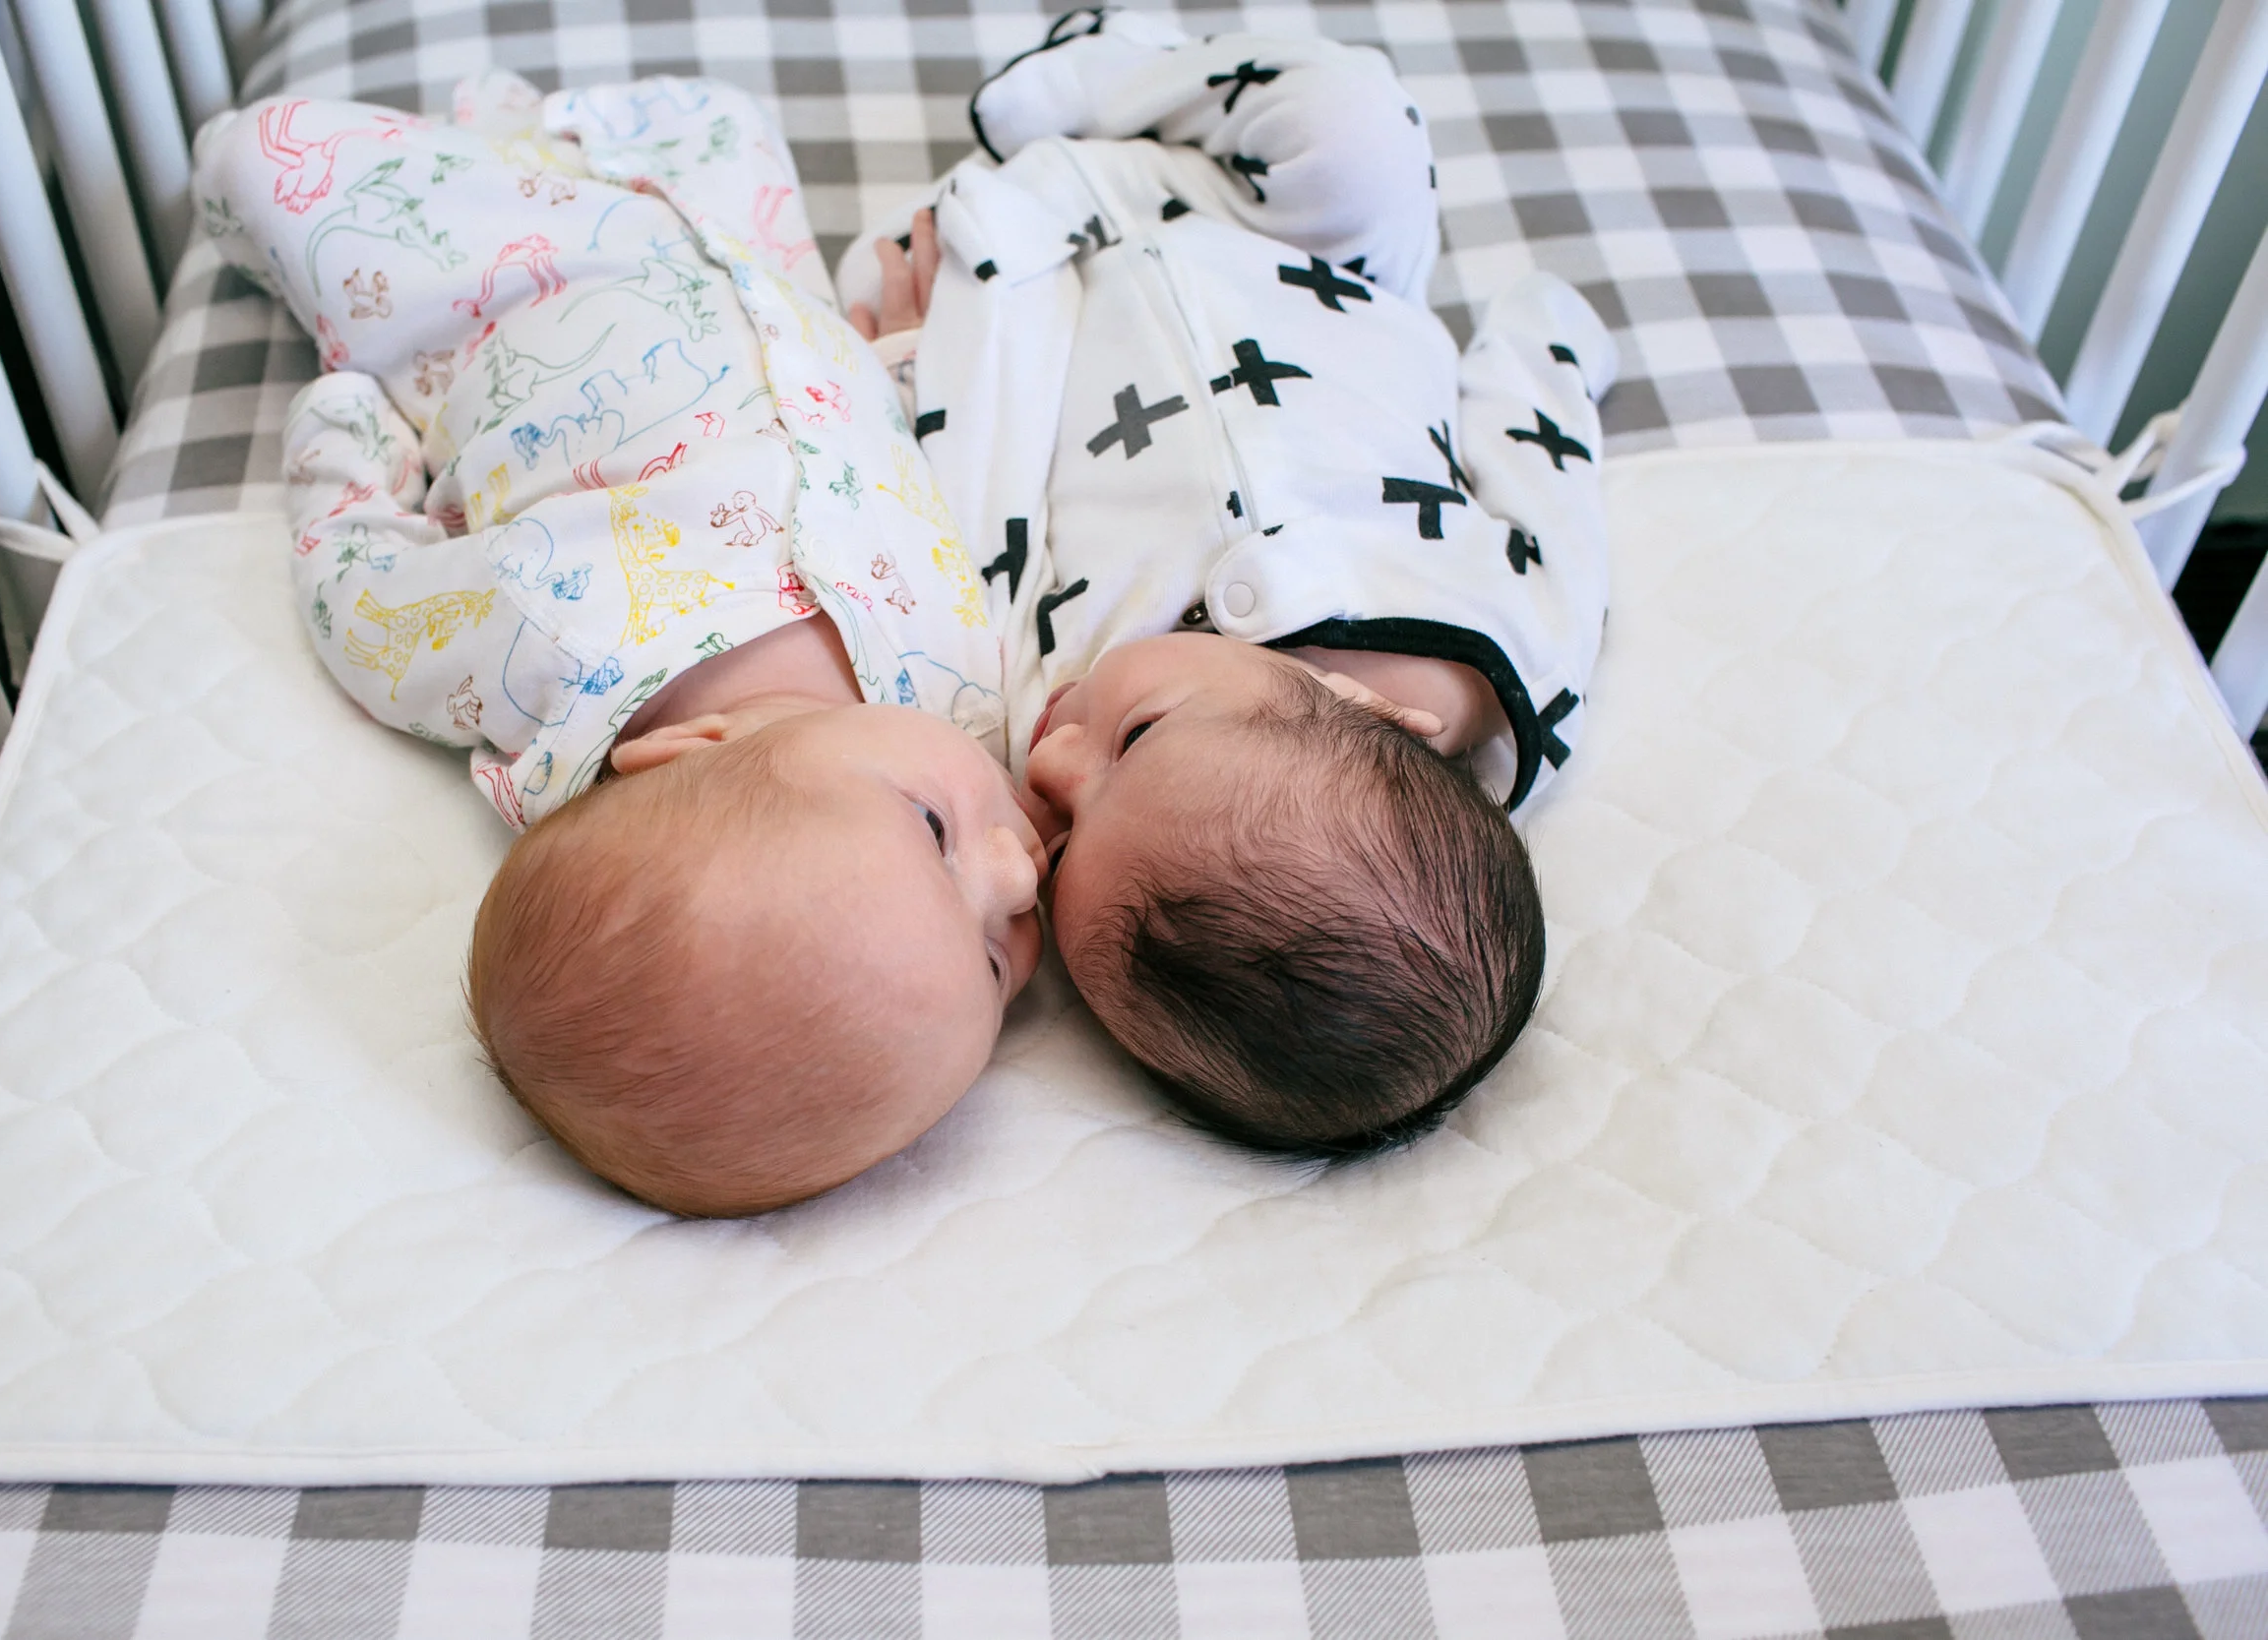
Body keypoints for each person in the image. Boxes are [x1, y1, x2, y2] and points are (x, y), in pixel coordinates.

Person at [195, 71, 1045, 1216]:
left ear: (676, 748)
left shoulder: (546, 651)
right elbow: (927, 478)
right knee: (724, 125)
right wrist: (895, 357)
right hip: (768, 295)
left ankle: (472, 148)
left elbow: (365, 598)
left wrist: (348, 430)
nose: (1018, 873)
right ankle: (540, 134)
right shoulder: (970, 697)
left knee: (269, 158)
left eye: (997, 960)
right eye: (994, 954)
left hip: (534, 290)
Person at [840, 11, 1615, 1156]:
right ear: (1366, 710)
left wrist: (921, 355)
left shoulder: (1056, 681)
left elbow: (965, 519)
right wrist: (1555, 349)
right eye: (1136, 738)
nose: (1050, 757)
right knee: (1356, 127)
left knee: (885, 286)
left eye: (1057, 833)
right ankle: (1099, 76)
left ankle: (1022, 176)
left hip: (1045, 289)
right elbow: (1545, 473)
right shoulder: (1512, 654)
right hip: (1302, 258)